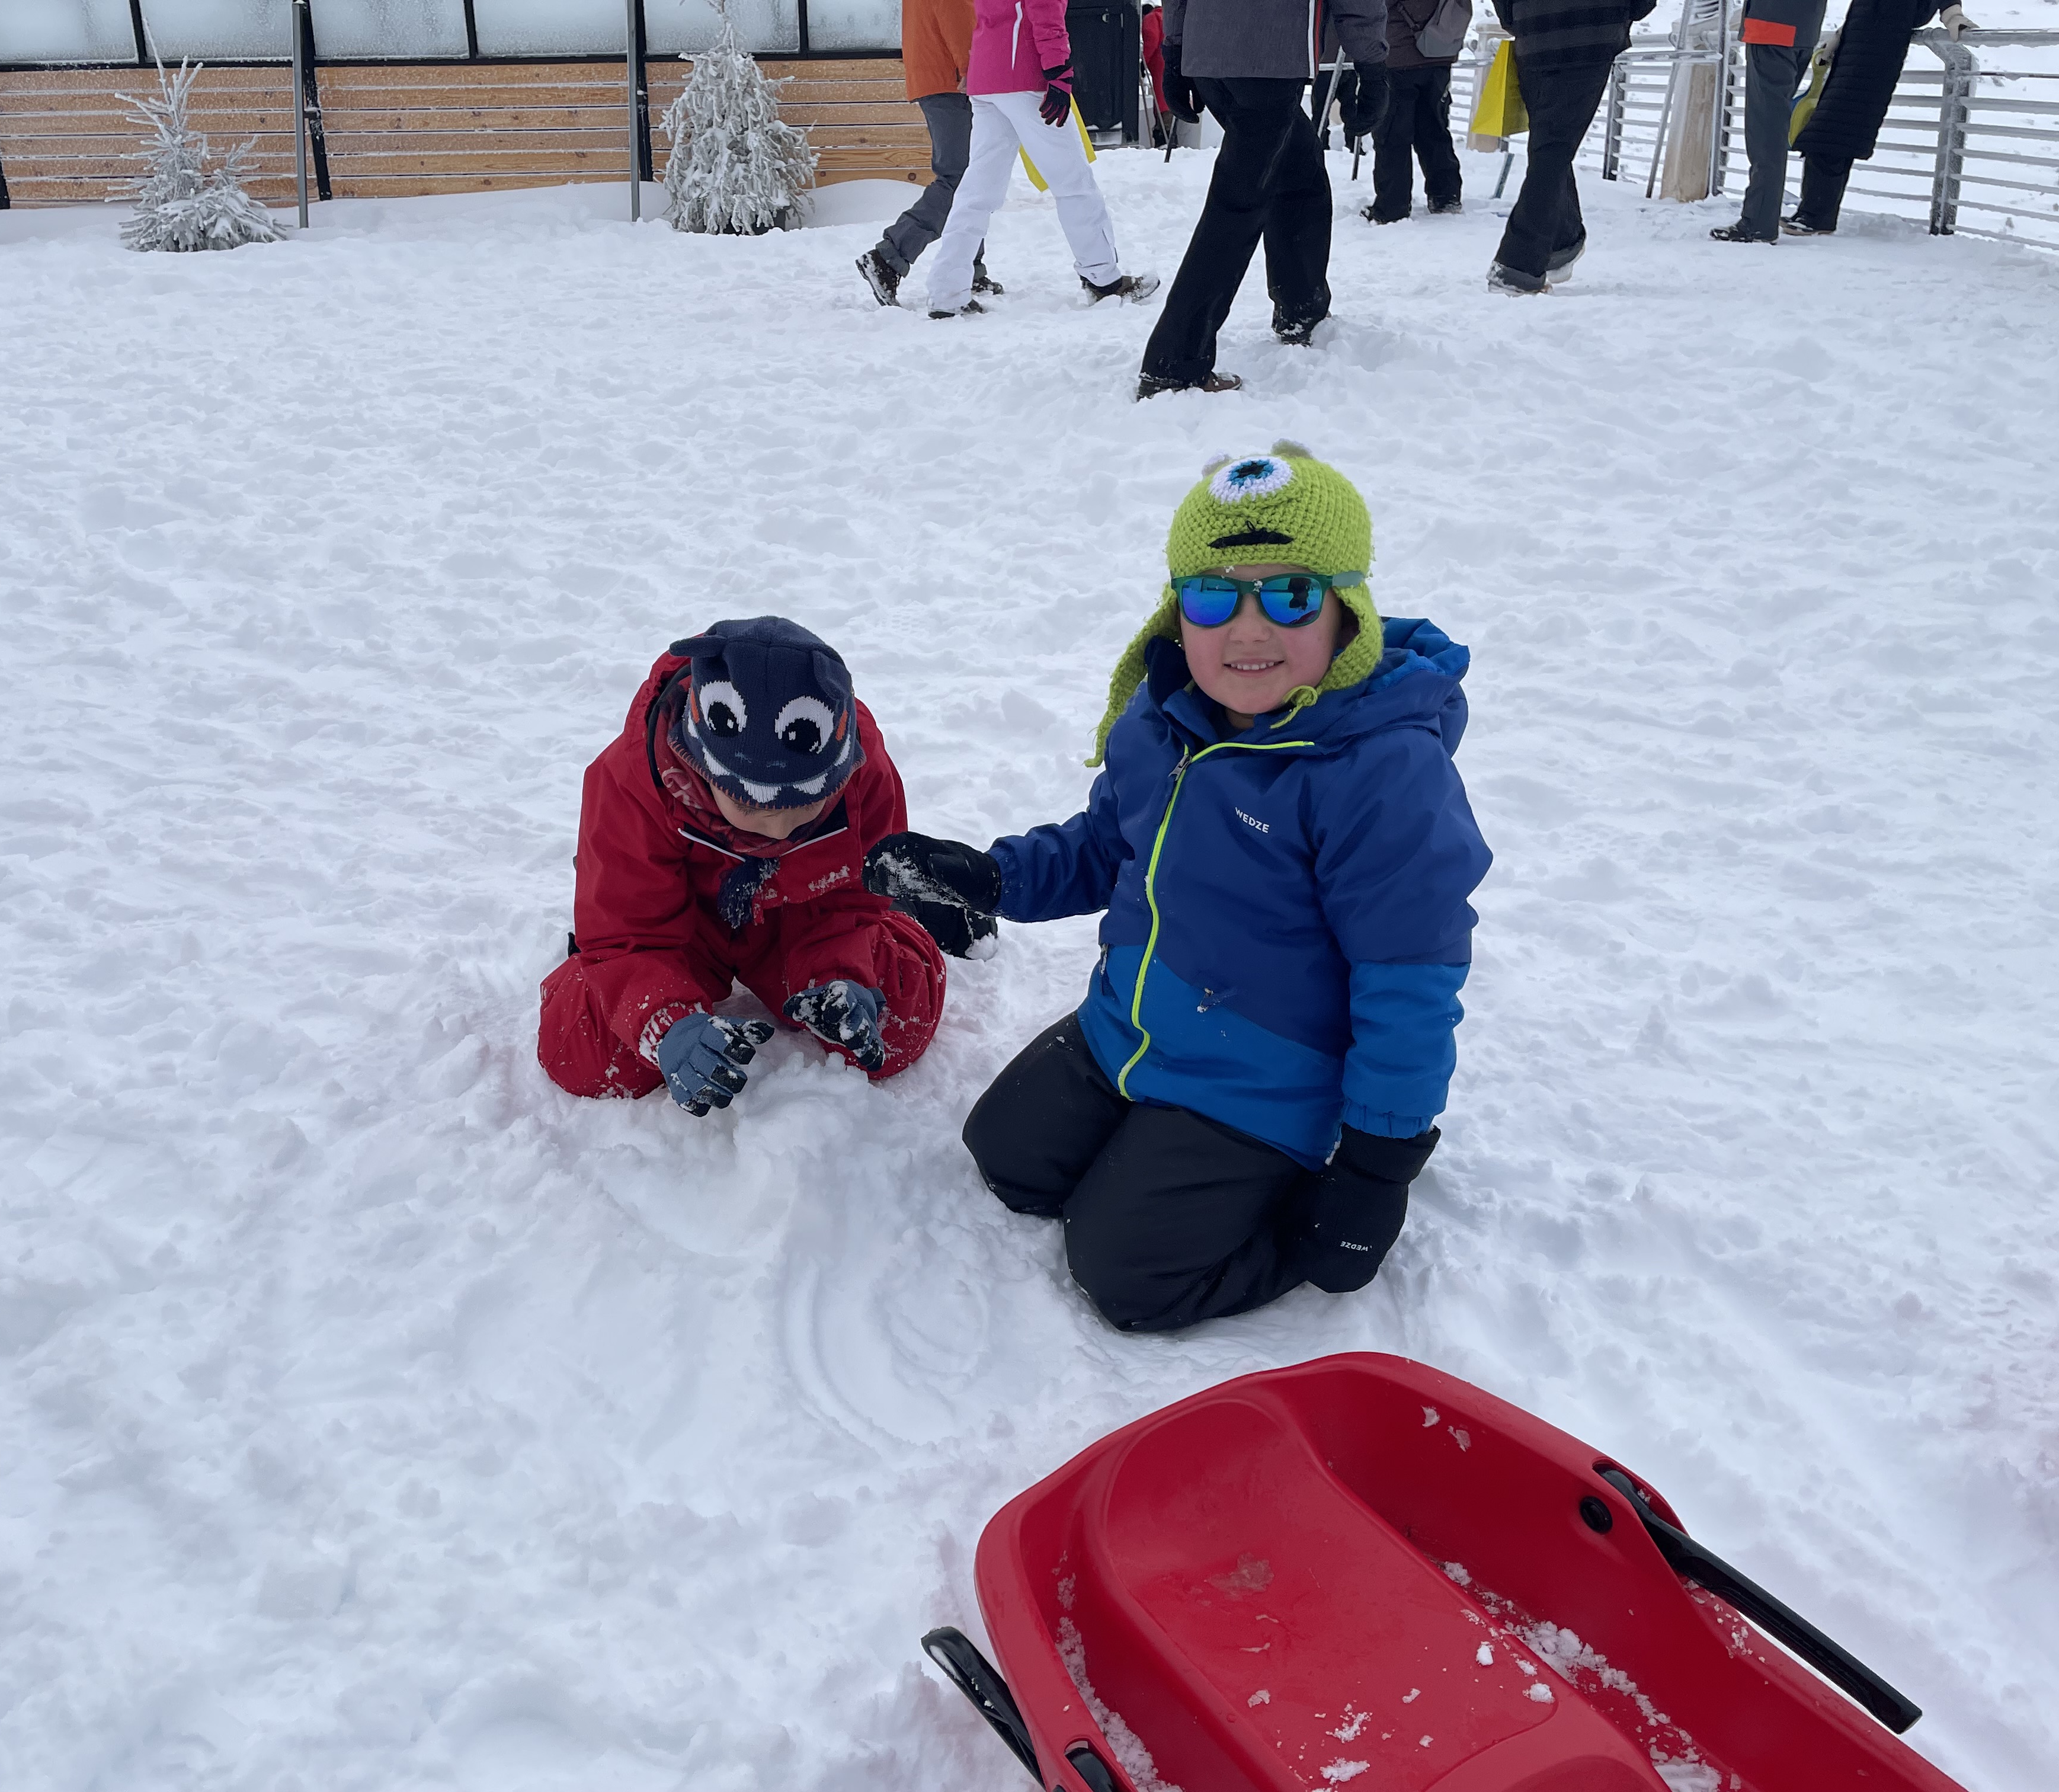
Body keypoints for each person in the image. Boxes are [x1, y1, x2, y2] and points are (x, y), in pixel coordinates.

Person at [867, 446, 1490, 1331]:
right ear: (1176, 609)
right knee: (1009, 1159)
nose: (1247, 631)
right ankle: (1151, 1143)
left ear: (1347, 610)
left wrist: (1375, 1171)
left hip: (1265, 1082)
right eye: (1212, 596)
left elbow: (1410, 981)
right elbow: (1104, 847)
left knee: (1126, 1275)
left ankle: (1281, 1204)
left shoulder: (1381, 773)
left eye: (1290, 595)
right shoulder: (1162, 720)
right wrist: (996, 875)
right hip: (1131, 1026)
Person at [537, 618, 959, 1116]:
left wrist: (841, 975)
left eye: (805, 809)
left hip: (801, 917)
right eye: (756, 811)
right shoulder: (631, 781)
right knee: (583, 1056)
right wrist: (667, 1023)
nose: (780, 831)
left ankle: (913, 916)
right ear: (701, 767)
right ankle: (610, 981)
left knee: (896, 1030)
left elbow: (849, 902)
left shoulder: (863, 773)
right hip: (682, 928)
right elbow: (630, 930)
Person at [1138, 0, 1391, 396]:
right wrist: (1372, 66)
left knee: (1299, 172)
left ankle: (1301, 308)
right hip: (1270, 59)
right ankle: (1174, 363)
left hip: (1209, 56)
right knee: (1237, 206)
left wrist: (1176, 50)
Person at [918, 0, 1160, 318]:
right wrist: (1059, 72)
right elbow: (1045, 10)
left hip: (987, 75)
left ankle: (946, 291)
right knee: (1074, 183)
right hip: (1026, 75)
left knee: (977, 190)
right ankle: (1103, 279)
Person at [1487, 0, 1653, 292]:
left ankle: (1564, 241)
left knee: (1549, 145)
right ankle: (1518, 266)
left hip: (1534, 33)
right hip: (1591, 32)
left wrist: (1517, 18)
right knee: (1553, 149)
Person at [856, 0, 1004, 305]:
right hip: (953, 80)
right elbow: (957, 13)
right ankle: (889, 257)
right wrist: (973, 69)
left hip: (940, 75)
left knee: (969, 178)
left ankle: (968, 268)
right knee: (959, 180)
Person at [1784, 0, 1972, 236]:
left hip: (1874, 64)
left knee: (1830, 139)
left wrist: (1954, 17)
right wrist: (1836, 42)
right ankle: (1814, 214)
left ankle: (1815, 216)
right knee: (1828, 139)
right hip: (1853, 60)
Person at [1709, 0, 1829, 243]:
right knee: (1773, 126)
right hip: (1804, 30)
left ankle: (1758, 221)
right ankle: (1760, 217)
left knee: (1766, 130)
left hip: (1770, 27)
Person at [1360, 0, 1469, 223]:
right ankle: (1445, 195)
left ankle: (1392, 206)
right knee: (1434, 128)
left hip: (1398, 56)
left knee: (1392, 135)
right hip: (1438, 53)